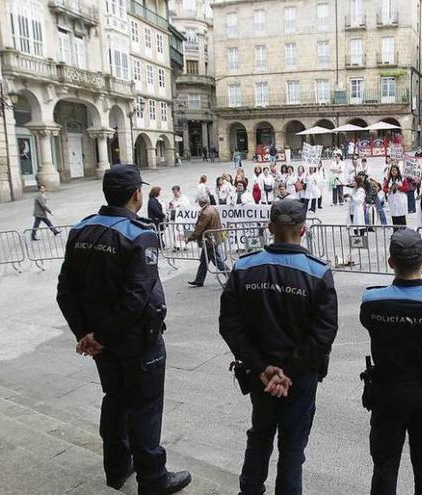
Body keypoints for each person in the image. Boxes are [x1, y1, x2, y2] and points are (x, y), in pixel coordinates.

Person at [56, 165, 191, 494]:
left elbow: (65, 291)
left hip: (103, 343)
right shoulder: (139, 233)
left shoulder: (82, 229)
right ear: (136, 194)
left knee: (115, 399)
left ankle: (116, 467)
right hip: (136, 341)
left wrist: (86, 335)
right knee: (144, 407)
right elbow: (135, 299)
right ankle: (153, 477)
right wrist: (97, 336)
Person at [219, 199, 339, 495]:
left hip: (259, 374)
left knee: (259, 432)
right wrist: (289, 371)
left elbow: (229, 324)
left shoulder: (244, 267)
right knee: (293, 446)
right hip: (299, 376)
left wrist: (262, 368)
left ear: (270, 228)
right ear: (303, 229)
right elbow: (324, 332)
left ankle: (249, 490)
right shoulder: (317, 272)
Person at [359, 229, 422, 495]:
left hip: (388, 391)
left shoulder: (372, 301)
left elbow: (367, 323)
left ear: (390, 262)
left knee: (385, 466)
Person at [186, 197, 224, 287]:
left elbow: (199, 228)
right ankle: (199, 279)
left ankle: (231, 277)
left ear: (200, 203)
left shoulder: (205, 213)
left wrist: (190, 238)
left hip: (209, 240)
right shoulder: (213, 208)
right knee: (204, 260)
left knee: (216, 261)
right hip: (213, 237)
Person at [383, 164, 411, 228]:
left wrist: (398, 187)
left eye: (395, 170)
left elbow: (407, 188)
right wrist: (389, 189)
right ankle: (395, 233)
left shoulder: (403, 179)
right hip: (393, 200)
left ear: (398, 171)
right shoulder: (388, 180)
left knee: (401, 217)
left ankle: (403, 233)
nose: (394, 172)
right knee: (394, 217)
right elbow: (384, 188)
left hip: (400, 200)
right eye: (392, 171)